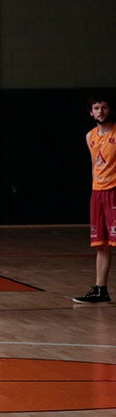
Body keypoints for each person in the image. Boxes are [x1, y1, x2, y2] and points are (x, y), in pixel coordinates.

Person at [74, 94, 114, 304]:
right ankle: (101, 290)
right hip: (98, 193)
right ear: (91, 112)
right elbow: (94, 165)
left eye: (104, 107)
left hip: (114, 190)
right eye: (96, 108)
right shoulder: (90, 136)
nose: (100, 111)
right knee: (102, 244)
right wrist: (94, 189)